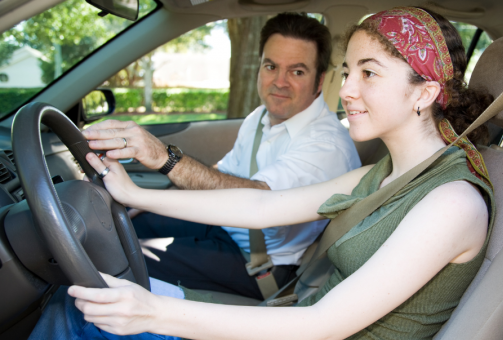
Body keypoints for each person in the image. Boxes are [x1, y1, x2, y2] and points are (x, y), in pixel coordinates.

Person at [2, 7, 495, 340]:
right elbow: (263, 208)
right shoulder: (382, 173)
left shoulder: (453, 201)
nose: (345, 90)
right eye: (347, 72)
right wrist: (133, 193)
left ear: (424, 93)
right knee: (79, 306)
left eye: (369, 73)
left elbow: (320, 328)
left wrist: (151, 311)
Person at [83, 13, 362, 300]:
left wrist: (163, 160)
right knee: (122, 228)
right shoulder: (260, 118)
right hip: (222, 224)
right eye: (271, 66)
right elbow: (223, 171)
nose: (279, 82)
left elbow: (261, 201)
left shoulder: (327, 146)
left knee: (119, 259)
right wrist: (155, 201)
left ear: (319, 81)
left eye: (297, 71)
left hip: (260, 264)